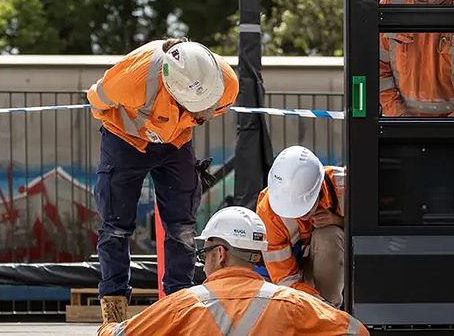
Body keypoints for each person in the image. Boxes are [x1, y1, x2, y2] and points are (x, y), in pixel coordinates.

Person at [86, 38, 239, 321]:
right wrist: (134, 124)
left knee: (181, 226)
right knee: (116, 228)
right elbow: (97, 101)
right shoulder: (133, 78)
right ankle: (114, 308)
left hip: (176, 144)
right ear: (172, 87)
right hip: (125, 141)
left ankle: (178, 305)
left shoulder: (225, 81)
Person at [97, 206, 368, 336]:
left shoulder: (183, 305)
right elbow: (357, 332)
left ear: (221, 253)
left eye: (205, 254)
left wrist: (105, 327)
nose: (204, 263)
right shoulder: (291, 304)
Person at [256, 145, 345, 308]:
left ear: (319, 188)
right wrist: (312, 307)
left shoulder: (344, 186)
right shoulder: (269, 213)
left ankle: (331, 311)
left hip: (344, 268)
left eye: (305, 208)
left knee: (328, 235)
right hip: (296, 278)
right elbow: (285, 278)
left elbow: (374, 233)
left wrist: (338, 221)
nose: (298, 215)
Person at [380, 0, 454, 116]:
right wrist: (398, 115)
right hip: (402, 124)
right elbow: (377, 67)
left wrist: (448, 127)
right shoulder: (392, 3)